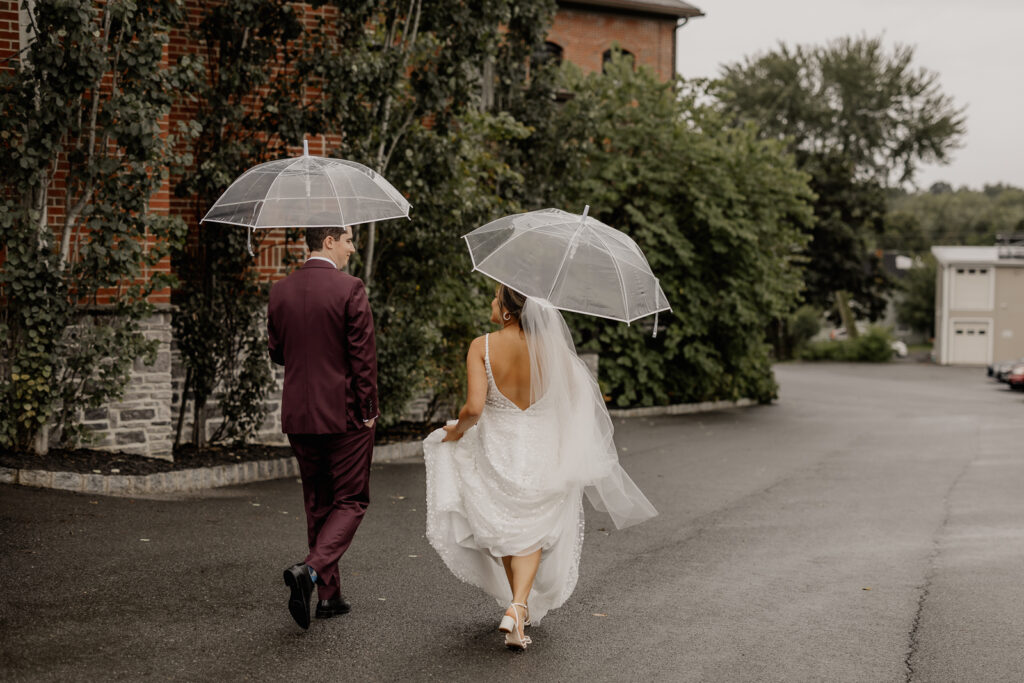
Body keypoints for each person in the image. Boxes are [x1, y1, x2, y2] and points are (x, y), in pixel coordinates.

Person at [422, 284, 657, 650]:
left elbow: (473, 409)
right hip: (542, 448)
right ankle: (517, 607)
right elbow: (579, 399)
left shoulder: (481, 346)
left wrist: (455, 433)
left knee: (503, 525)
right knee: (531, 533)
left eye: (495, 298)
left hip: (497, 449)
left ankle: (517, 606)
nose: (491, 302)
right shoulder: (555, 354)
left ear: (508, 311)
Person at [267, 226, 378, 630]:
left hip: (300, 413)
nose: (352, 248)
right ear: (328, 241)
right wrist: (368, 409)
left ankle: (329, 598)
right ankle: (310, 572)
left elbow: (277, 353)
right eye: (348, 240)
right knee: (350, 501)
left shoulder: (279, 291)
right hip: (346, 415)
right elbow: (362, 358)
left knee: (318, 502)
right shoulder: (350, 288)